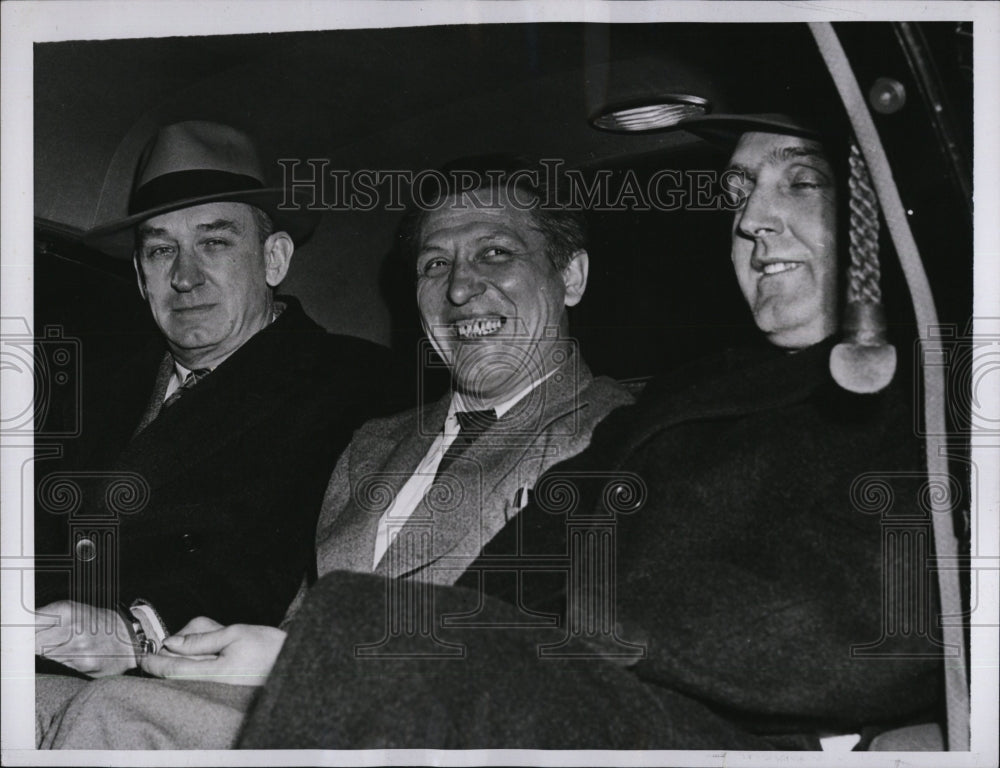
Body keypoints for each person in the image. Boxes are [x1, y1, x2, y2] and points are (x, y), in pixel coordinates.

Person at [232, 117, 944, 750]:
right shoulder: (686, 396)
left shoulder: (948, 391)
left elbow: (856, 630)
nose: (751, 218)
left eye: (801, 182)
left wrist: (346, 647)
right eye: (737, 194)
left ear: (887, 208)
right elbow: (511, 572)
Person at [37, 159, 633, 748]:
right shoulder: (377, 443)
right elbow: (301, 608)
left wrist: (294, 658)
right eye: (434, 264)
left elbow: (584, 657)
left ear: (572, 277)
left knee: (114, 715)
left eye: (496, 254)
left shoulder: (621, 437)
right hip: (301, 703)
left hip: (445, 727)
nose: (458, 286)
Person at [33, 121, 393, 683]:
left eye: (214, 242)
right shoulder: (83, 380)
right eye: (160, 250)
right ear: (138, 273)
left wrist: (138, 632)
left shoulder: (361, 386)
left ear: (273, 259)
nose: (184, 276)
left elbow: (305, 570)